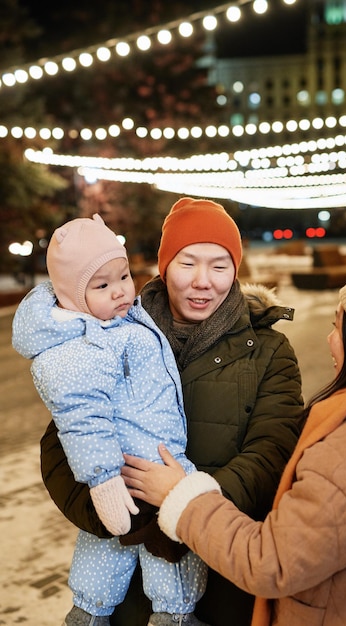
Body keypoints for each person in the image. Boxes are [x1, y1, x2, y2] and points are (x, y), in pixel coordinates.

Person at [36, 197, 305, 626]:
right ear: (164, 266)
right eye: (187, 264)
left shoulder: (269, 352)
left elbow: (271, 454)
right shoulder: (106, 335)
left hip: (221, 570)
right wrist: (112, 516)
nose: (203, 282)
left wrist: (187, 503)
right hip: (125, 586)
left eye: (219, 266)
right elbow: (63, 440)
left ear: (236, 270)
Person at [125, 263, 346, 626]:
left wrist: (180, 497)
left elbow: (272, 559)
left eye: (338, 326)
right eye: (187, 262)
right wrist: (112, 515)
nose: (329, 340)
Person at [12, 213, 209, 626]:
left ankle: (104, 611)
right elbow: (81, 416)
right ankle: (159, 615)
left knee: (121, 547)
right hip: (133, 471)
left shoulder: (113, 322)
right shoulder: (82, 343)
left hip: (153, 462)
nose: (120, 292)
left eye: (123, 276)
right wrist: (102, 478)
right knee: (162, 543)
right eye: (102, 286)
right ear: (70, 297)